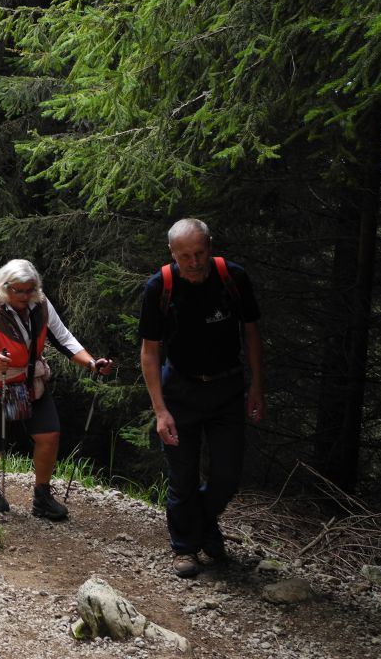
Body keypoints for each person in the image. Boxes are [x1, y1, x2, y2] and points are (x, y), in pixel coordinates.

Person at [139, 218, 264, 578]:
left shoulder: (232, 278)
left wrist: (257, 385)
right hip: (180, 391)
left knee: (227, 475)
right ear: (172, 254)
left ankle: (203, 522)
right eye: (185, 256)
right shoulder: (160, 287)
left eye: (199, 253)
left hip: (227, 389)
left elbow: (252, 333)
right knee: (183, 475)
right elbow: (149, 351)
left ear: (210, 245)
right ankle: (186, 548)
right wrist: (160, 410)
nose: (194, 262)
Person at [0, 259, 112, 521]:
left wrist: (92, 363)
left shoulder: (41, 305)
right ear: (4, 288)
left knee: (49, 434)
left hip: (30, 383)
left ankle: (42, 496)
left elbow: (64, 339)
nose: (25, 296)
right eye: (18, 290)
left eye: (29, 289)